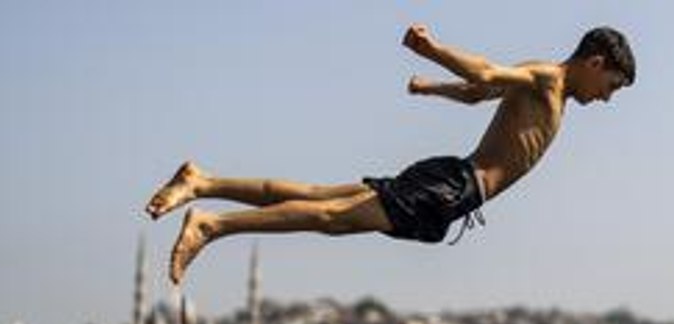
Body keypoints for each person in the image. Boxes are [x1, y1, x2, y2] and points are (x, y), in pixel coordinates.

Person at [146, 24, 635, 284]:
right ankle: (212, 225)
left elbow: (474, 94)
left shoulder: (544, 86)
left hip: (453, 182)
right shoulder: (547, 79)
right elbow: (484, 73)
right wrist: (431, 49)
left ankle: (203, 181)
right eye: (610, 85)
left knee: (319, 196)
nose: (607, 98)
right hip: (452, 187)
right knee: (333, 217)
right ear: (595, 62)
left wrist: (430, 88)